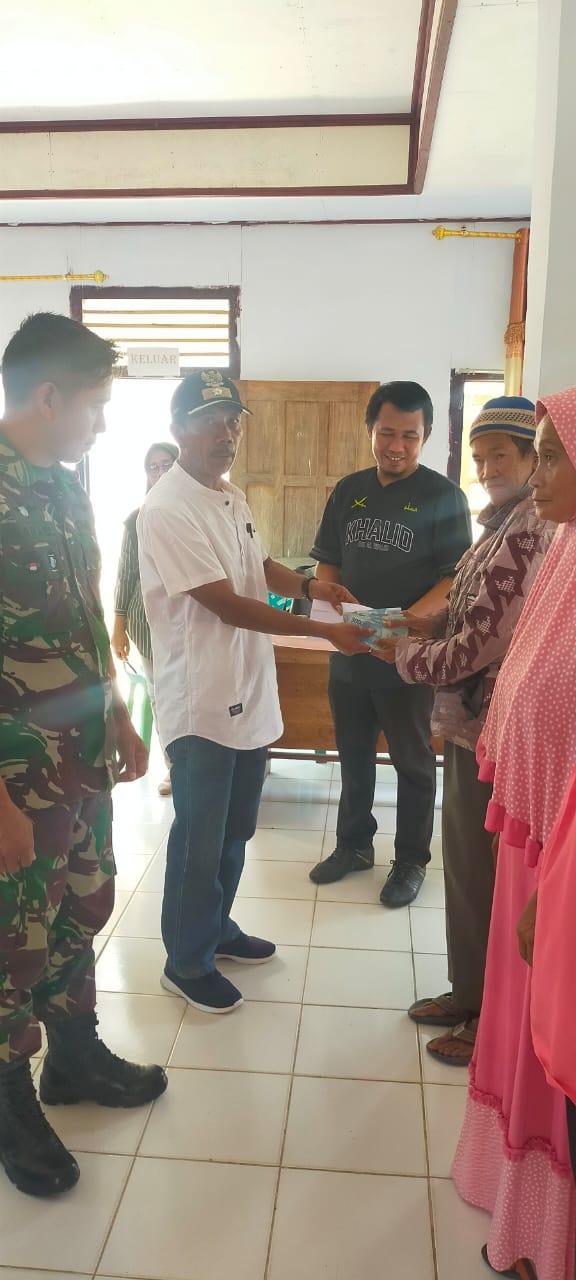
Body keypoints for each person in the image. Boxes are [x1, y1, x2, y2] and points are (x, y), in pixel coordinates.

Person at [137, 369, 370, 1015]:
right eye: (211, 419)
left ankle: (218, 930)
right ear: (180, 426)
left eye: (233, 419)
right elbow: (226, 604)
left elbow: (256, 565)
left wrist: (310, 587)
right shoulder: (166, 509)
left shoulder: (230, 497)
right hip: (201, 702)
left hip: (247, 691)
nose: (226, 431)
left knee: (237, 829)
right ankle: (184, 962)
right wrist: (326, 635)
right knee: (200, 836)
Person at [0, 313, 168, 1200]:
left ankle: (73, 1060)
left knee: (79, 911)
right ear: (47, 395)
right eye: (96, 406)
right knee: (8, 945)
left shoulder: (63, 487)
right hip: (14, 780)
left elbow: (82, 618)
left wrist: (121, 713)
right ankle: (10, 1101)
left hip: (82, 759)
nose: (102, 424)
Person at [374, 396, 554, 1064]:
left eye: (499, 454)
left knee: (490, 876)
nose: (486, 468)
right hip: (471, 725)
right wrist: (425, 626)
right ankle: (468, 991)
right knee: (467, 870)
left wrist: (398, 650)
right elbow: (469, 613)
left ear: (534, 457)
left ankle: (493, 1017)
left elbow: (479, 642)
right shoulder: (502, 521)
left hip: (499, 734)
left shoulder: (533, 525)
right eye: (478, 457)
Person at [452, 388, 576, 1279]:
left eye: (549, 454)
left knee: (552, 1045)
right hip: (532, 831)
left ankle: (549, 1232)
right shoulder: (563, 547)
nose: (535, 473)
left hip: (566, 859)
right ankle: (515, 1206)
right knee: (519, 1021)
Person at [308, 380, 472, 908]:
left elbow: (453, 580)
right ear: (371, 431)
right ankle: (354, 845)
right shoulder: (348, 489)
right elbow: (328, 560)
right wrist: (330, 606)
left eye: (409, 435)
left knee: (413, 761)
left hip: (408, 659)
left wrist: (405, 625)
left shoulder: (445, 497)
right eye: (386, 433)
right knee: (352, 755)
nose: (395, 445)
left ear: (425, 436)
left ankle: (410, 860)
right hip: (350, 652)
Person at [111, 440, 179, 796]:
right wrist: (118, 626)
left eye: (167, 464)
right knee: (161, 699)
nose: (160, 472)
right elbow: (126, 576)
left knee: (187, 698)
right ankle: (173, 768)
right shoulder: (136, 519)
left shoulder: (194, 513)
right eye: (153, 466)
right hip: (147, 628)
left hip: (188, 628)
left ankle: (192, 765)